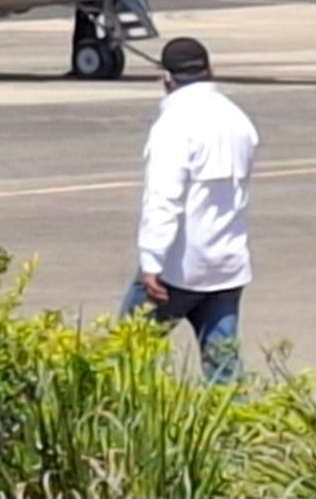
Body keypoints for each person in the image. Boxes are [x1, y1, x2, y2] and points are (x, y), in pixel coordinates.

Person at [121, 37, 259, 384]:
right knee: (224, 367)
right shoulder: (238, 120)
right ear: (209, 69)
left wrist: (152, 263)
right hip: (227, 263)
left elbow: (163, 198)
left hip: (179, 268)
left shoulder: (174, 124)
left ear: (166, 77)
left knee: (127, 356)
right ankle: (238, 430)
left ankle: (136, 426)